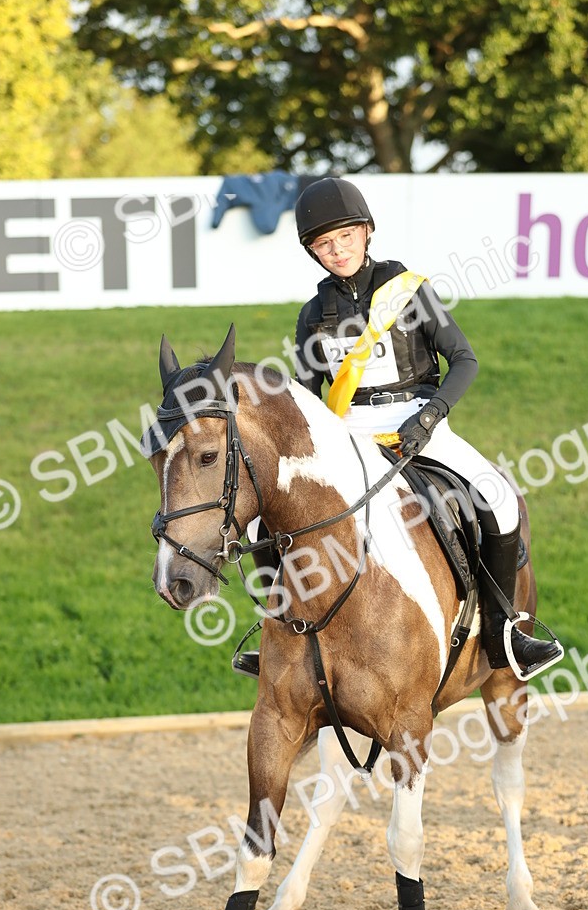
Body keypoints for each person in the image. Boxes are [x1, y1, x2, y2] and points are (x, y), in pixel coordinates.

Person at [233, 177, 562, 681]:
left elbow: (464, 360)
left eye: (346, 236)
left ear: (367, 232)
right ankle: (282, 634)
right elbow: (306, 398)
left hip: (419, 419)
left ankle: (503, 630)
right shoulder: (313, 315)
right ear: (312, 251)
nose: (337, 250)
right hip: (348, 433)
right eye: (324, 243)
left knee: (497, 497)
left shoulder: (409, 292)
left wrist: (429, 418)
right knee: (260, 526)